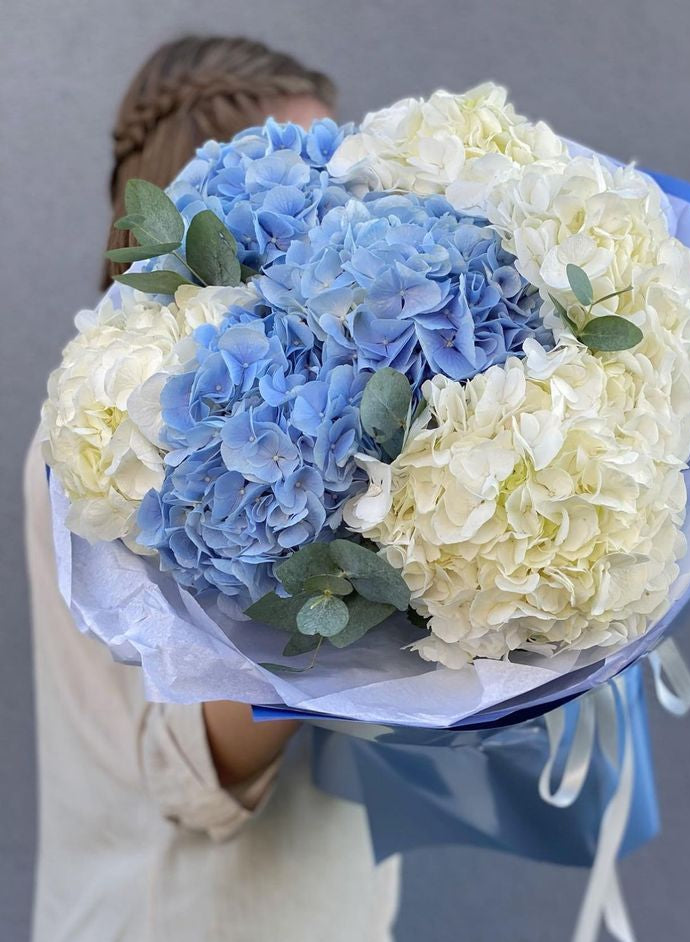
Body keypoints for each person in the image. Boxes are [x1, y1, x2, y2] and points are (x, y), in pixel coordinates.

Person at [23, 36, 401, 942]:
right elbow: (188, 771)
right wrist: (372, 582)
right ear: (206, 208)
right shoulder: (118, 434)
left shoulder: (323, 420)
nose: (342, 215)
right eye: (305, 186)